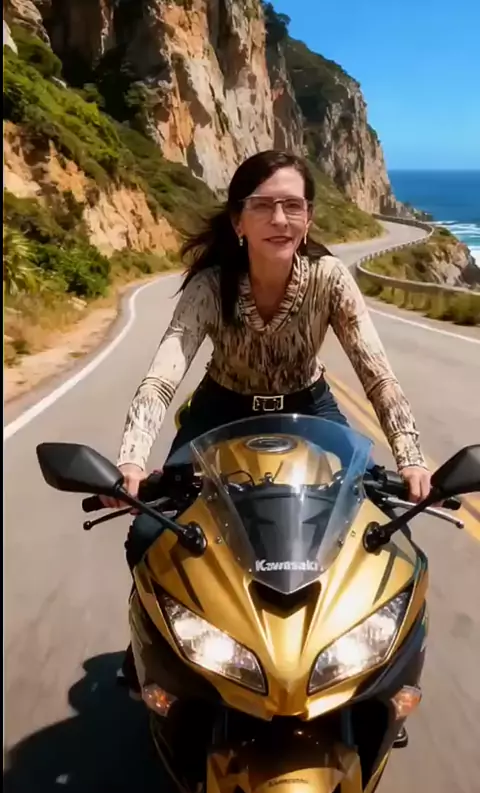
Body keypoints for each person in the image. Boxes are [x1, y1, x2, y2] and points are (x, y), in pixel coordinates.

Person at [106, 150, 430, 723]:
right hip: (222, 407)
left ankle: (373, 682)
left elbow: (376, 373)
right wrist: (132, 459)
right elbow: (162, 375)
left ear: (308, 218)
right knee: (150, 531)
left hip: (310, 405)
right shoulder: (210, 287)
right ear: (239, 220)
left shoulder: (329, 279)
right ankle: (148, 648)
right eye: (263, 206)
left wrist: (410, 455)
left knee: (378, 529)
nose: (280, 219)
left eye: (293, 206)